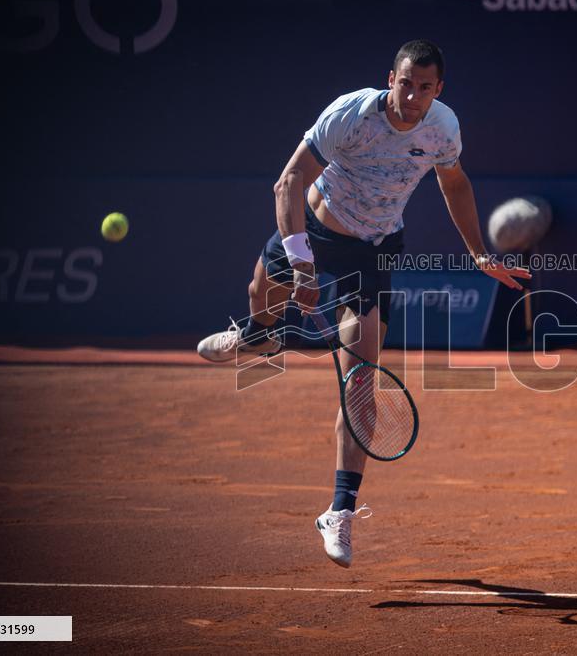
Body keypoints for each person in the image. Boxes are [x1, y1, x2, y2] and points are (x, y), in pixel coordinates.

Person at [197, 39, 530, 568]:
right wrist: (303, 266)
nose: (413, 96)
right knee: (260, 295)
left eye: (425, 87)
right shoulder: (350, 115)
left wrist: (480, 256)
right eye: (405, 83)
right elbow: (287, 184)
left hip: (372, 254)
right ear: (390, 78)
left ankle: (341, 512)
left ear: (438, 89)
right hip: (315, 232)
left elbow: (455, 183)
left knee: (361, 386)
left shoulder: (442, 127)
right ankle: (257, 336)